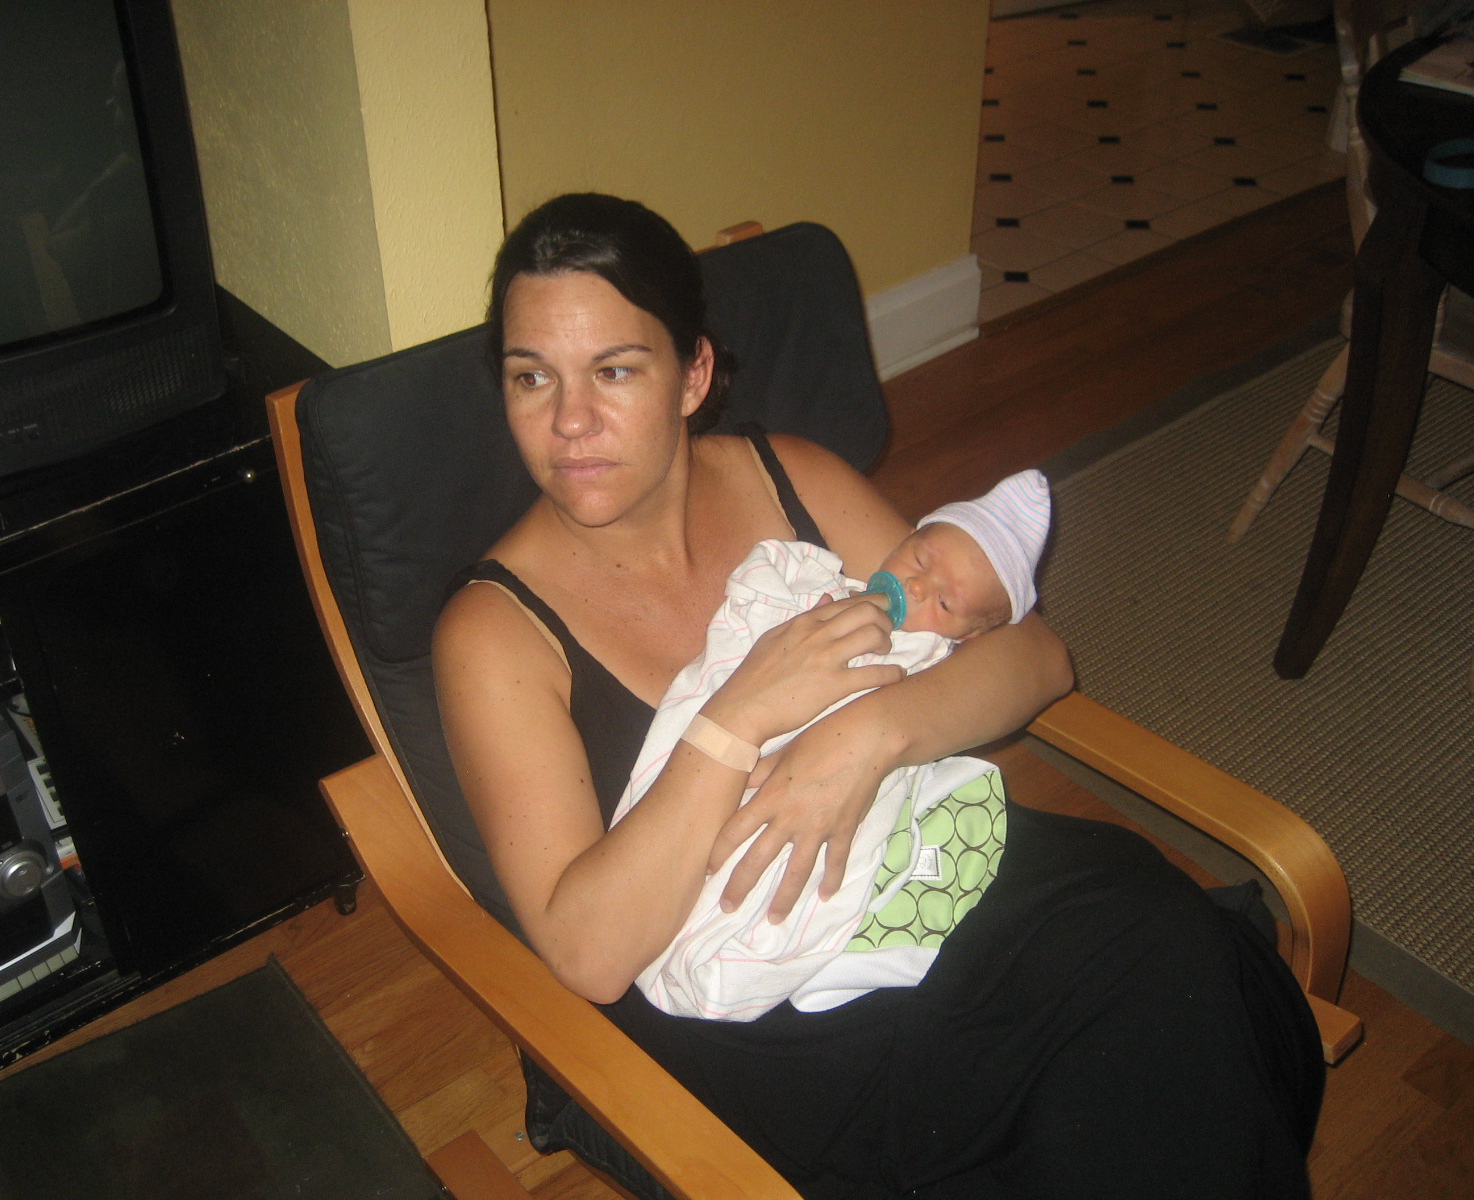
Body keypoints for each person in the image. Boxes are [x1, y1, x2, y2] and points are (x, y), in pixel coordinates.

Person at [433, 192, 1321, 1199]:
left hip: (933, 878)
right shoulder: (494, 634)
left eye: (616, 370)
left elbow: (1033, 656)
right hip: (773, 1014)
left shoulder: (789, 479)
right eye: (531, 377)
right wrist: (739, 718)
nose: (569, 422)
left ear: (694, 375)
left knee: (1157, 952)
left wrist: (861, 738)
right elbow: (588, 952)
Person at [615, 471, 1052, 1020]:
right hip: (738, 749)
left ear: (967, 636)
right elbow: (759, 591)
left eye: (944, 601)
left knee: (803, 875)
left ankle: (754, 952)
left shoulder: (931, 661)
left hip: (839, 793)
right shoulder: (821, 584)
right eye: (919, 559)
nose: (918, 587)